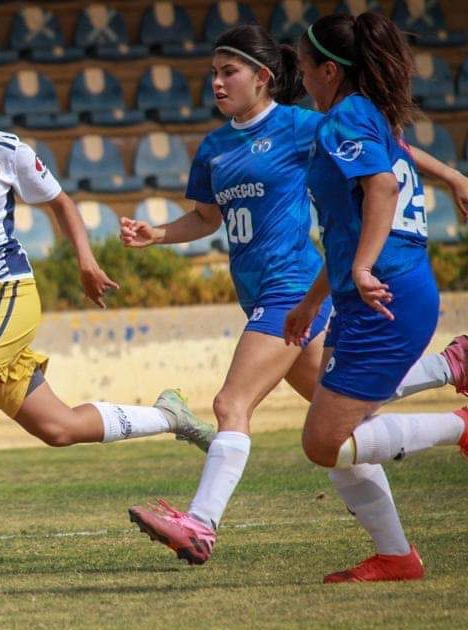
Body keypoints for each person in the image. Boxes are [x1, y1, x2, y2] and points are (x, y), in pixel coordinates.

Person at [120, 25, 468, 566]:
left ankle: (201, 524)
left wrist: (450, 175)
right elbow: (207, 218)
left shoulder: (302, 124)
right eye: (212, 72)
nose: (215, 82)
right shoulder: (214, 147)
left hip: (292, 286)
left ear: (263, 78)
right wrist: (157, 234)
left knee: (230, 404)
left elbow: (386, 152)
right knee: (347, 427)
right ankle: (397, 552)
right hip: (279, 298)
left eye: (228, 71)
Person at [0, 49, 216, 561]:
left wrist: (86, 262)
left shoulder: (5, 148)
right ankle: (170, 416)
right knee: (59, 427)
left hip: (4, 290)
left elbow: (60, 203)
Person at [280, 12, 468, 583]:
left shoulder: (345, 120)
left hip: (383, 293)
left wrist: (360, 269)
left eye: (305, 67)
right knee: (339, 428)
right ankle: (395, 556)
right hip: (377, 292)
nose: (301, 76)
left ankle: (460, 421)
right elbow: (353, 215)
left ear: (329, 72)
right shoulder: (365, 116)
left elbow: (383, 187)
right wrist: (318, 298)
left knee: (323, 443)